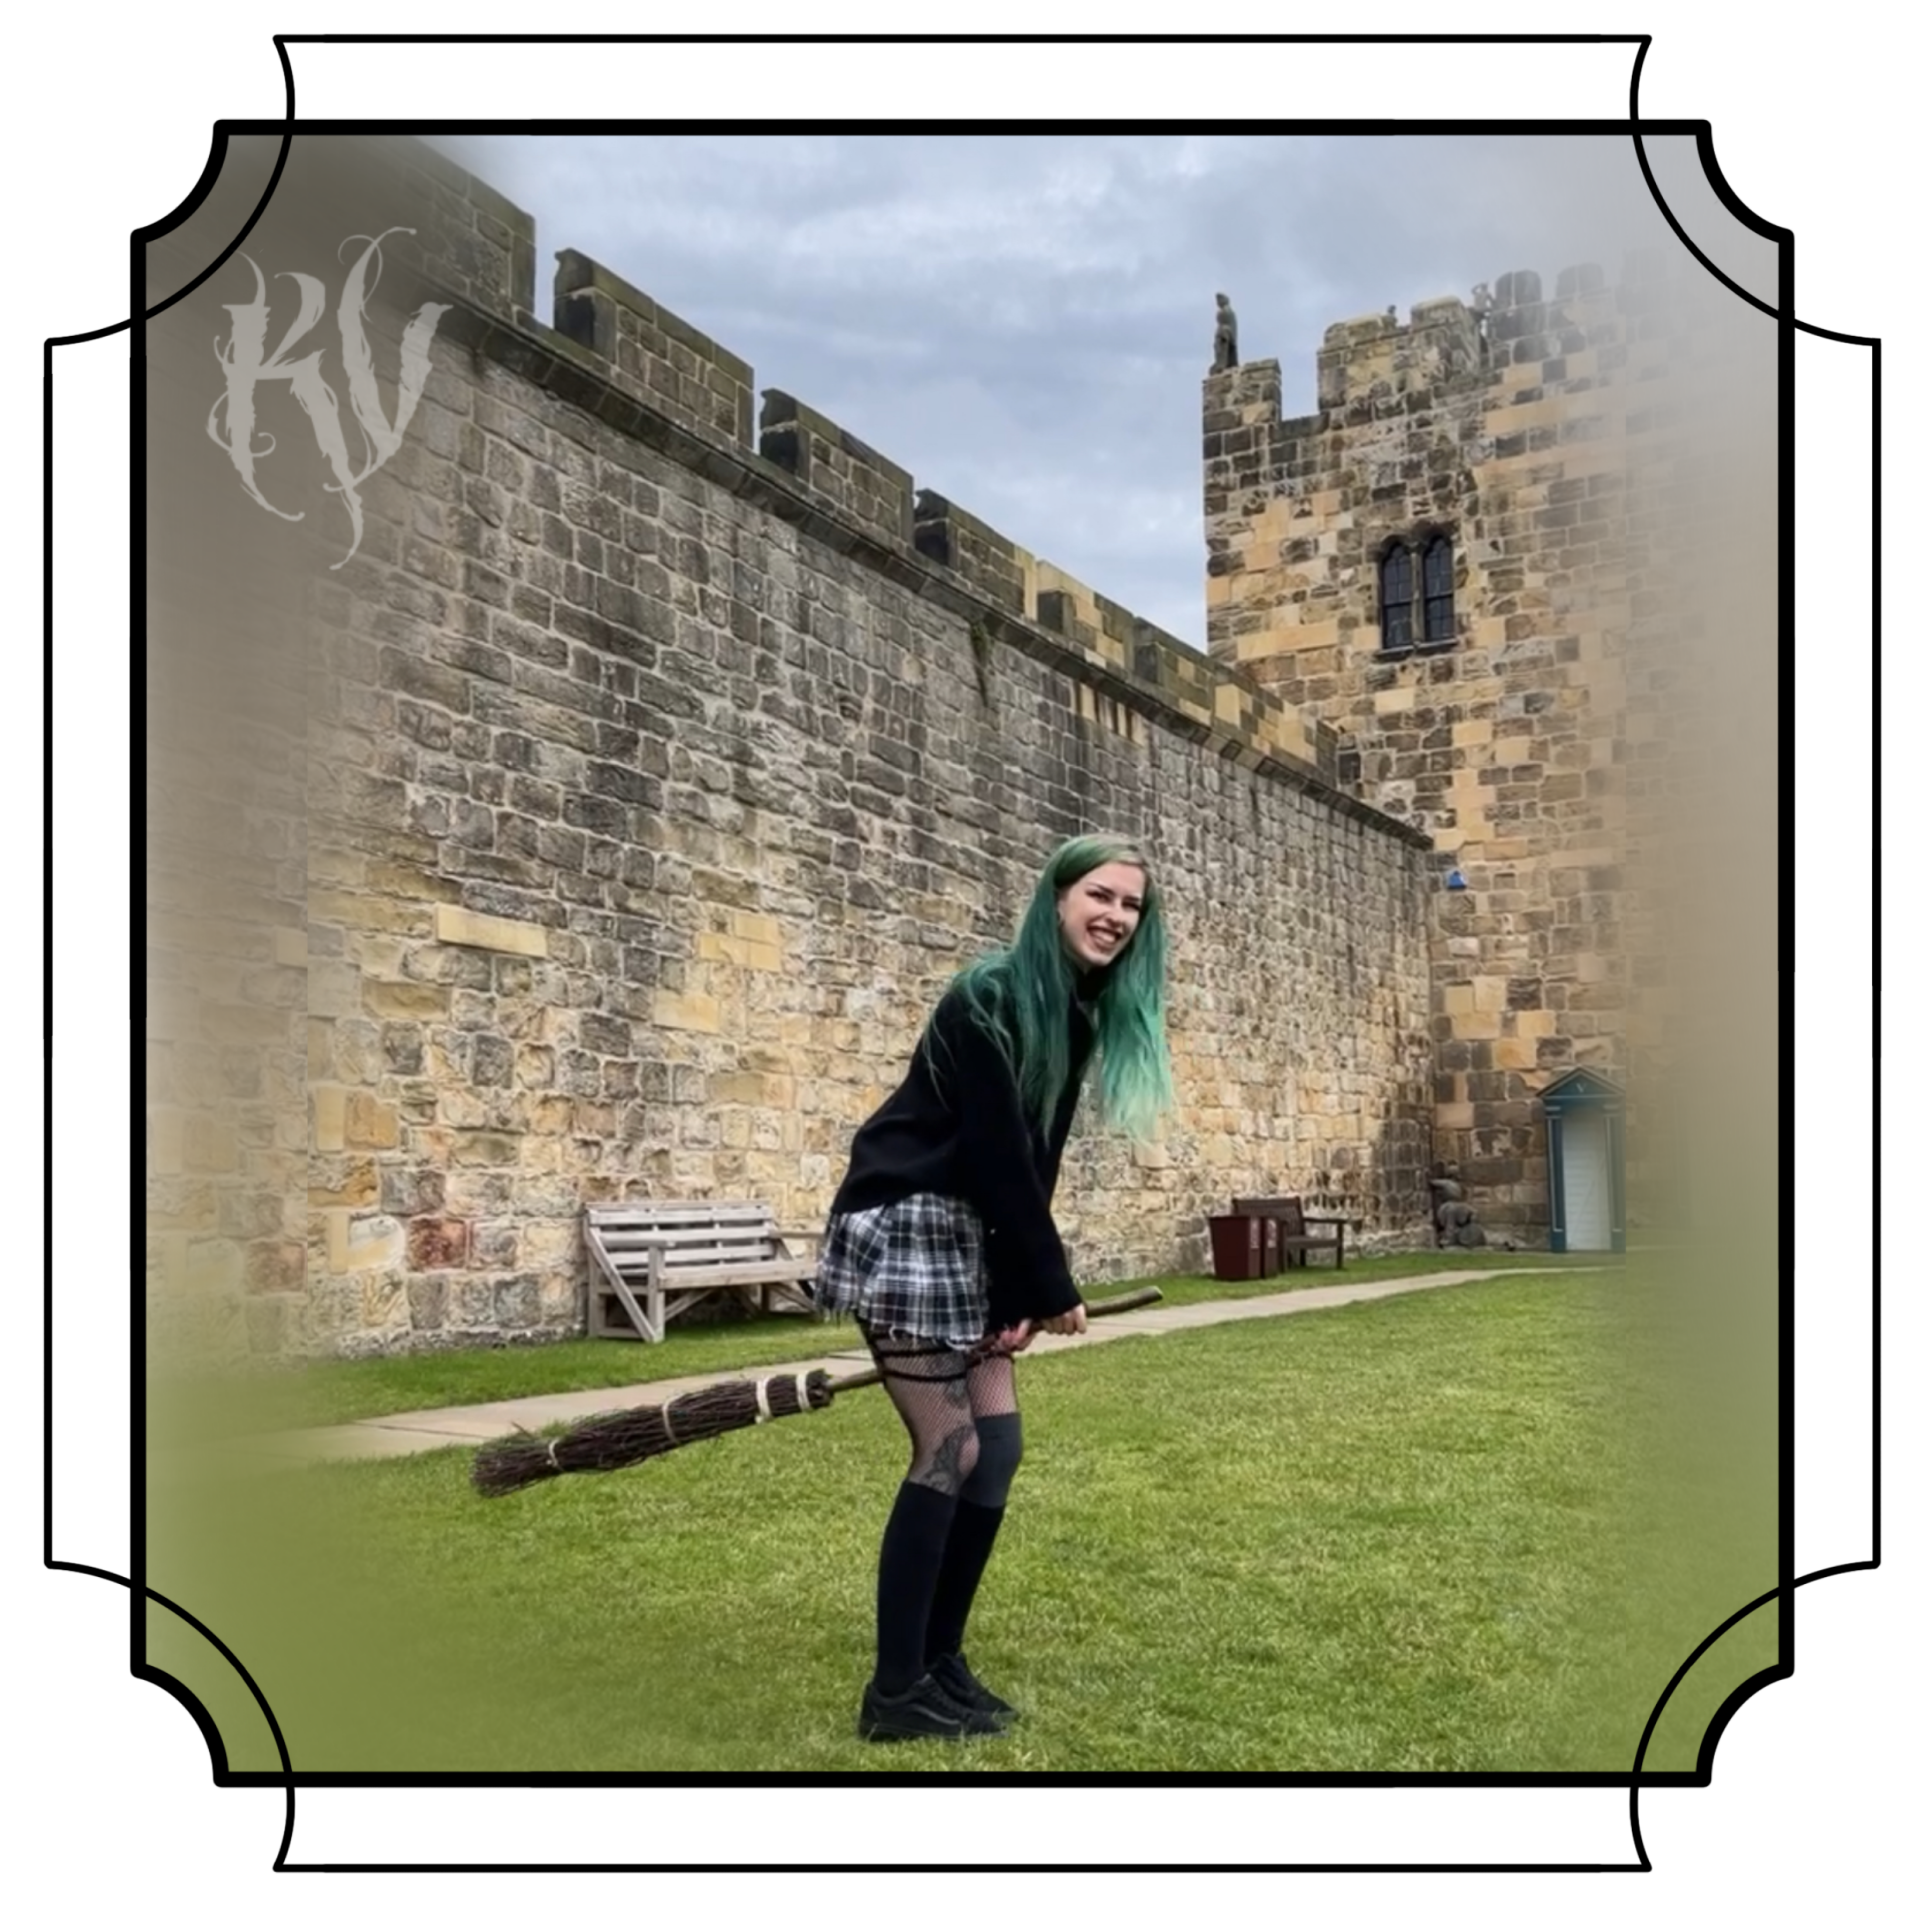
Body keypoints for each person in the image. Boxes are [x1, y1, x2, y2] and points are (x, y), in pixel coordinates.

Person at [812, 833, 1178, 1741]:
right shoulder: (986, 997)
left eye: (1131, 905)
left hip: (970, 1235)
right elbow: (995, 1152)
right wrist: (1050, 1284)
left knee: (998, 1447)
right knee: (949, 1447)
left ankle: (940, 1657)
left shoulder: (1075, 1014)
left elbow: (1035, 1161)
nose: (1115, 917)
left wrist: (1019, 1295)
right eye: (1100, 895)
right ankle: (895, 1692)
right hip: (905, 1221)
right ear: (1056, 899)